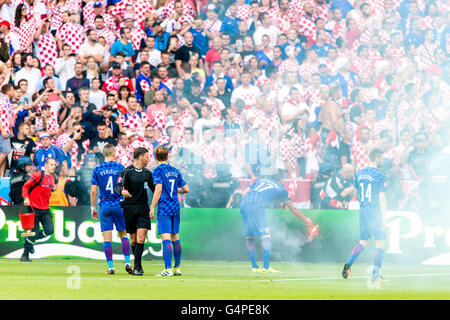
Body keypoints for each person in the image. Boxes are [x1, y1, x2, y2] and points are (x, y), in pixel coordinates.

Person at [228, 174, 318, 273]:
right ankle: (266, 268)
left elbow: (244, 193)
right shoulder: (281, 189)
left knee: (250, 238)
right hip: (257, 205)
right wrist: (305, 219)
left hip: (244, 204)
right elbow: (292, 208)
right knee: (266, 237)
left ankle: (254, 267)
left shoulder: (259, 180)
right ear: (279, 180)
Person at [342, 148, 389, 282]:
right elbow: (382, 198)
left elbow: (355, 194)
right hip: (375, 212)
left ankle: (348, 264)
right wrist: (384, 217)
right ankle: (375, 274)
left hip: (363, 212)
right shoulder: (380, 175)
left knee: (363, 241)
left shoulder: (360, 173)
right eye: (382, 158)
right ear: (378, 157)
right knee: (380, 243)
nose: (382, 160)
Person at [90, 143, 132, 275]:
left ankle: (111, 267)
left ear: (103, 154)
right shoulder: (121, 168)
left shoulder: (97, 169)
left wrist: (92, 207)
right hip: (119, 205)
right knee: (124, 235)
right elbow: (126, 188)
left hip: (105, 207)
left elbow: (93, 191)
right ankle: (127, 262)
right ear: (115, 154)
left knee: (107, 239)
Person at [150, 145, 190, 277]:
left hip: (164, 207)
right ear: (167, 156)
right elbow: (186, 189)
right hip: (175, 206)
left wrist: (152, 206)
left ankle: (167, 269)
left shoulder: (157, 171)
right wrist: (175, 191)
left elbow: (159, 189)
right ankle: (177, 268)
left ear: (156, 157)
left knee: (165, 237)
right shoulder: (175, 170)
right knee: (176, 237)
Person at [115, 147, 155, 276]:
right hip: (129, 208)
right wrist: (122, 191)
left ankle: (137, 267)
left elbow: (155, 189)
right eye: (147, 156)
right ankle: (138, 264)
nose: (149, 159)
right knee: (133, 240)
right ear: (141, 157)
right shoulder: (127, 171)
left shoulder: (148, 174)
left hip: (143, 208)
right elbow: (118, 185)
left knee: (141, 238)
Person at [20, 157, 58, 262]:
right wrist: (26, 198)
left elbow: (49, 188)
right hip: (33, 208)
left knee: (50, 230)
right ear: (45, 165)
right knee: (33, 232)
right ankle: (25, 255)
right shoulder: (38, 175)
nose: (53, 167)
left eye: (54, 165)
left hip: (45, 208)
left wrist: (53, 189)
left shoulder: (54, 177)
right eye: (51, 164)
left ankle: (30, 241)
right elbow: (25, 186)